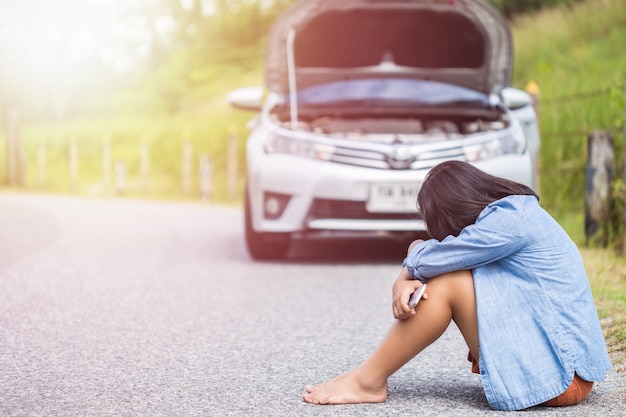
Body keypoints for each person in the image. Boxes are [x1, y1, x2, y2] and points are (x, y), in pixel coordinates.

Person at [302, 160, 612, 411]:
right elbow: (442, 255)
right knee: (449, 274)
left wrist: (407, 268)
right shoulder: (516, 214)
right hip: (563, 373)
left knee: (447, 283)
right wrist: (410, 269)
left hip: (562, 379)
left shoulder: (511, 220)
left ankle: (368, 381)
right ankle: (365, 376)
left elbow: (441, 257)